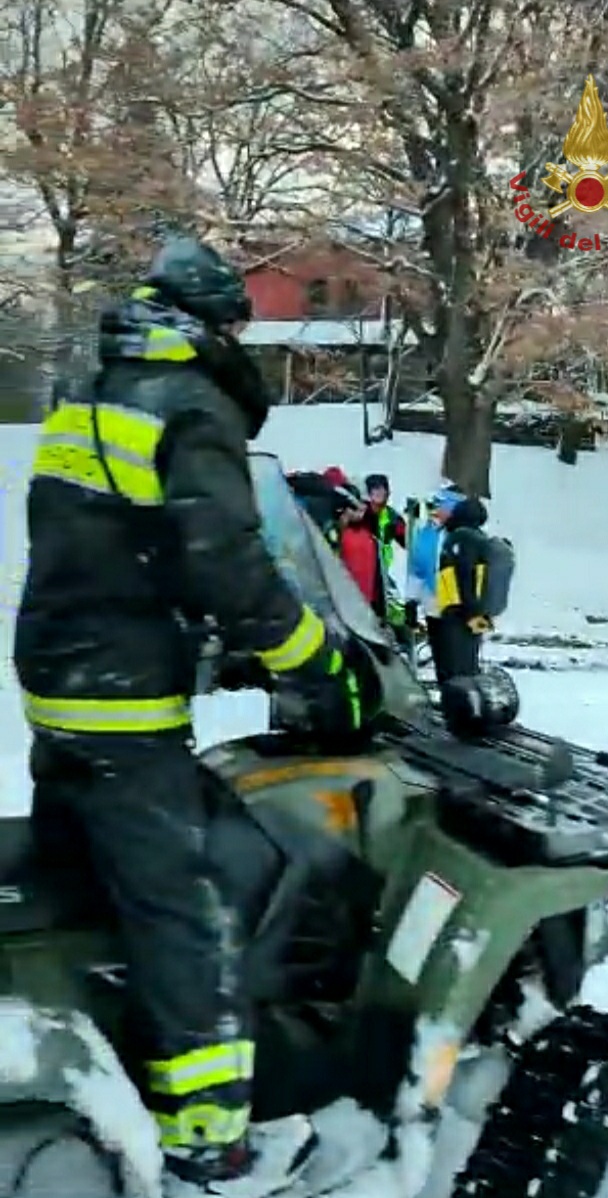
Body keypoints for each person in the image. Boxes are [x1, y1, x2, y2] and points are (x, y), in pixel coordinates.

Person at [14, 236, 375, 1197]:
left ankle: (103, 1044)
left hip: (63, 677)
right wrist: (316, 659)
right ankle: (210, 1137)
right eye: (239, 324)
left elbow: (104, 542)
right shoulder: (192, 405)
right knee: (183, 906)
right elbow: (224, 559)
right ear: (215, 324)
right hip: (124, 698)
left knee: (87, 876)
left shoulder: (93, 399)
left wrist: (186, 634)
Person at [405, 487, 496, 685]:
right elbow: (417, 570)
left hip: (460, 607)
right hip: (433, 605)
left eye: (440, 506)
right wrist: (411, 601)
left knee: (462, 659)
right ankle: (449, 695)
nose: (434, 510)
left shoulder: (464, 535)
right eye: (434, 505)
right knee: (442, 657)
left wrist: (476, 608)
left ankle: (467, 697)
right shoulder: (427, 533)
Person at [364, 473, 406, 574]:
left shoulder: (393, 517)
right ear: (369, 492)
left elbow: (407, 542)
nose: (379, 492)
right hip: (360, 560)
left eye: (382, 488)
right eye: (375, 488)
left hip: (382, 565)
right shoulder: (360, 512)